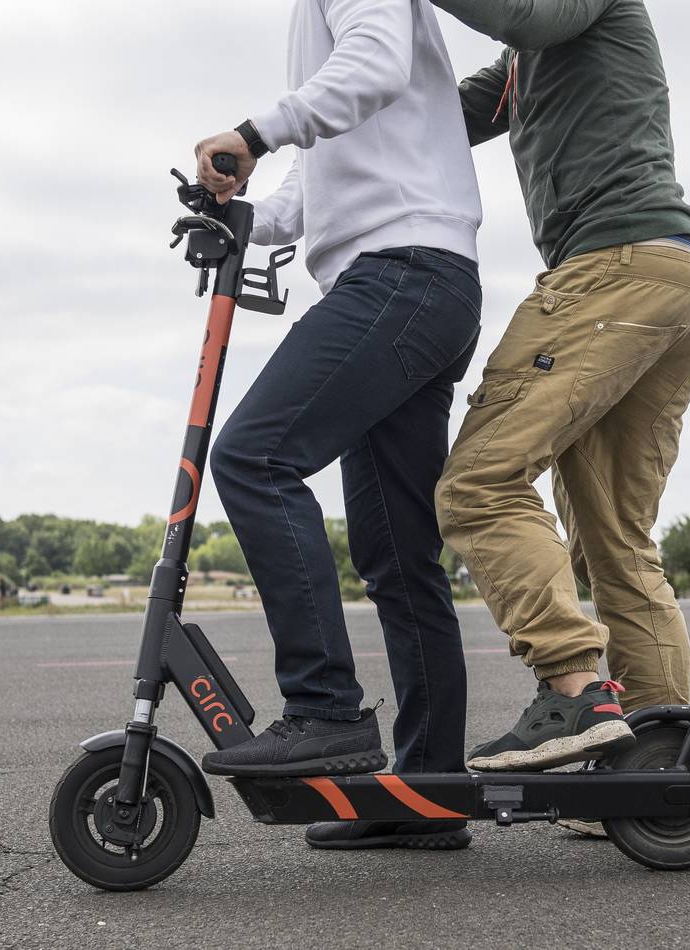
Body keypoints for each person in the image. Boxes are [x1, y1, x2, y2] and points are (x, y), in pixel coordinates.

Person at [193, 0, 483, 850]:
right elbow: (326, 168)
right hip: (418, 278)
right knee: (398, 557)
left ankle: (324, 708)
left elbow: (376, 64)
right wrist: (249, 217)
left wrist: (256, 128)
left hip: (401, 273)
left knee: (253, 457)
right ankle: (427, 795)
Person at [432, 0, 690, 771]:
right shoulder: (521, 65)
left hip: (615, 269)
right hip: (672, 274)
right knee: (614, 544)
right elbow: (438, 120)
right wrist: (292, 131)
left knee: (479, 483)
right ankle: (657, 777)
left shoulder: (570, 10)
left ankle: (572, 694)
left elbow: (522, 18)